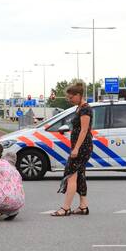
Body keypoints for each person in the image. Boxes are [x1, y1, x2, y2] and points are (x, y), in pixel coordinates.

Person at [52, 82, 92, 217]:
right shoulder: (79, 108)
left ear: (79, 95)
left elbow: (84, 130)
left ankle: (66, 208)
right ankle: (83, 206)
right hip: (79, 147)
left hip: (82, 147)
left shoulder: (85, 109)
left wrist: (76, 148)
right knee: (80, 175)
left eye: (71, 97)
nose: (69, 100)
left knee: (71, 176)